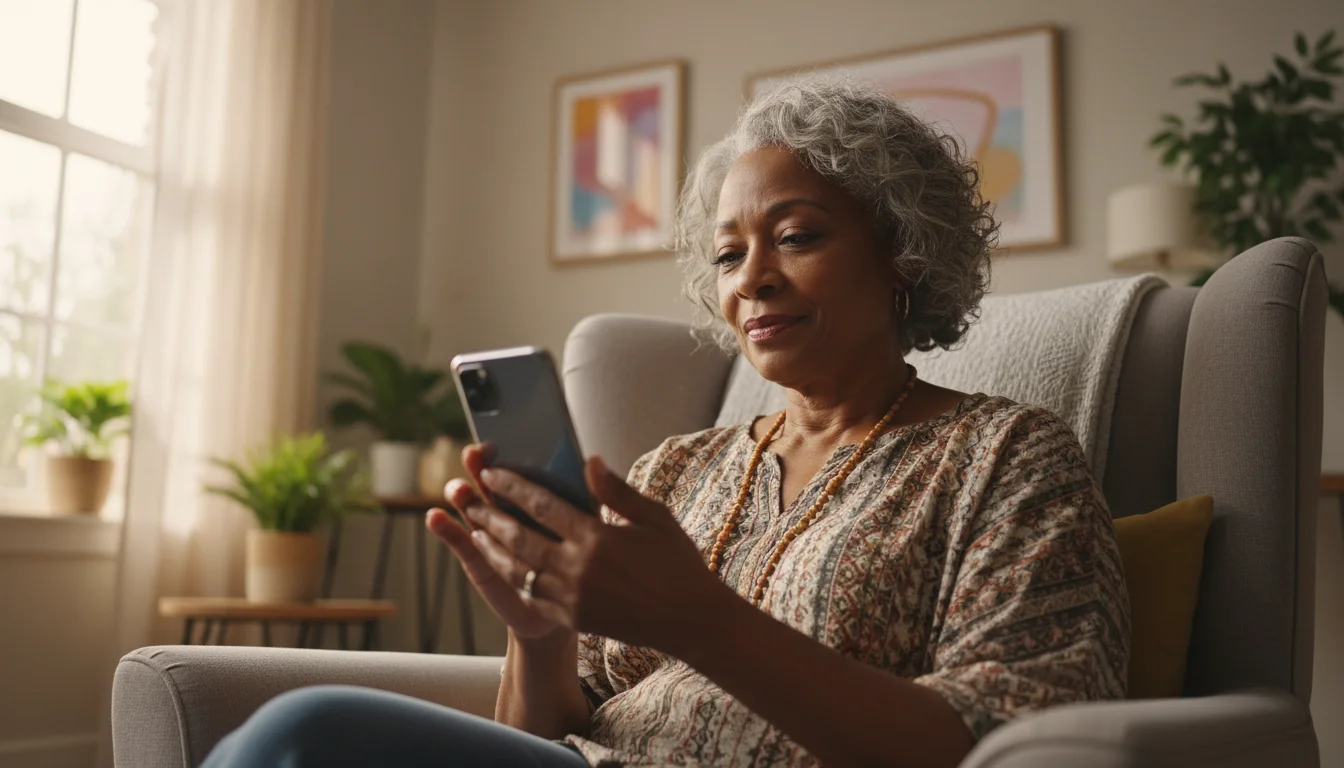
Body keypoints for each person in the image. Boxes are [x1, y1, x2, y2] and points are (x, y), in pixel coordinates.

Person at [203, 77, 1129, 768]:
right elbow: (543, 734)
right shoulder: (675, 470)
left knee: (307, 731)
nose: (751, 278)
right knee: (295, 734)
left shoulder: (1004, 457)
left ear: (904, 253)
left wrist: (700, 620)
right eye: (728, 255)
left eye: (797, 236)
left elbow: (1014, 739)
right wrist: (539, 635)